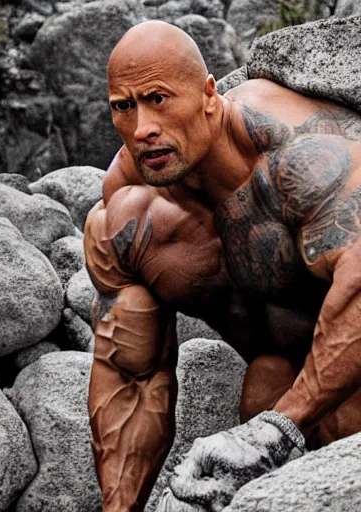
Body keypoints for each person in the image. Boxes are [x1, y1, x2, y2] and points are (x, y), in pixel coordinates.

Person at [83, 19, 361, 512]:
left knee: (324, 421)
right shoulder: (129, 203)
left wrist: (274, 432)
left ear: (209, 93)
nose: (142, 127)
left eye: (158, 98)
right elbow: (130, 373)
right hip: (284, 365)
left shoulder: (302, 157)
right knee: (264, 391)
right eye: (124, 107)